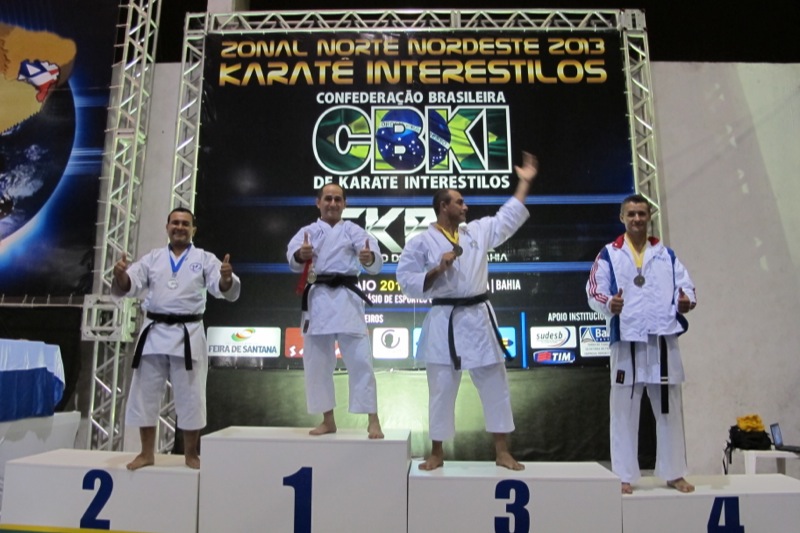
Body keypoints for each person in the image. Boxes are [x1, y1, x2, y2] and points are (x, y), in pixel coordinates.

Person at [396, 152, 538, 471]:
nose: (466, 206)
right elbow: (405, 281)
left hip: (478, 316)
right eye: (459, 202)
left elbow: (508, 217)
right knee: (441, 390)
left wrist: (524, 183)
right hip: (443, 319)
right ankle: (436, 452)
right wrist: (437, 269)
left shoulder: (476, 231)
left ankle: (502, 451)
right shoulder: (421, 242)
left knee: (495, 386)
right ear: (443, 206)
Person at [113, 207, 240, 470]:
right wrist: (122, 276)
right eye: (175, 223)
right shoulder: (153, 258)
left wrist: (226, 278)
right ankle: (146, 452)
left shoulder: (204, 259)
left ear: (193, 229)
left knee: (191, 396)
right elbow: (130, 285)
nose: (180, 227)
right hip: (154, 332)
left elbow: (222, 287)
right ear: (167, 227)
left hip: (188, 334)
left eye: (185, 224)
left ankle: (191, 454)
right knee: (145, 394)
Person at [586, 193, 697, 494]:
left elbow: (686, 288)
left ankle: (674, 473)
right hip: (627, 340)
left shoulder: (666, 255)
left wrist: (686, 301)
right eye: (631, 214)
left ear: (649, 217)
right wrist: (609, 302)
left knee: (669, 409)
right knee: (623, 410)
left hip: (662, 340)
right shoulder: (609, 254)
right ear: (622, 217)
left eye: (642, 214)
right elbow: (594, 290)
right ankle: (623, 475)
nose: (637, 219)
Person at [287, 183, 384, 439]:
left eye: (338, 199)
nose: (333, 203)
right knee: (317, 364)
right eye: (328, 198)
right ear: (318, 202)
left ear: (345, 204)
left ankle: (373, 419)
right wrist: (300, 255)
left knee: (361, 361)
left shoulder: (354, 230)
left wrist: (369, 259)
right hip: (318, 300)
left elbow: (375, 261)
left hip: (347, 299)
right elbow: (292, 260)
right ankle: (327, 420)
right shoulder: (307, 232)